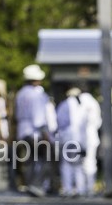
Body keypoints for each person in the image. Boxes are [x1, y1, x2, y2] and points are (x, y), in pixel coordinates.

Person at [13, 64, 54, 196]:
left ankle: (30, 184)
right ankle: (36, 185)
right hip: (35, 131)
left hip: (23, 131)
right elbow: (38, 117)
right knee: (48, 157)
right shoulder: (37, 95)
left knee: (30, 160)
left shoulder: (21, 94)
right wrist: (45, 133)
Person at [55, 86, 93, 196]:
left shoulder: (63, 105)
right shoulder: (81, 107)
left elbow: (60, 123)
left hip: (67, 138)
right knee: (78, 165)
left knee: (66, 164)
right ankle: (80, 189)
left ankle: (68, 189)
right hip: (79, 140)